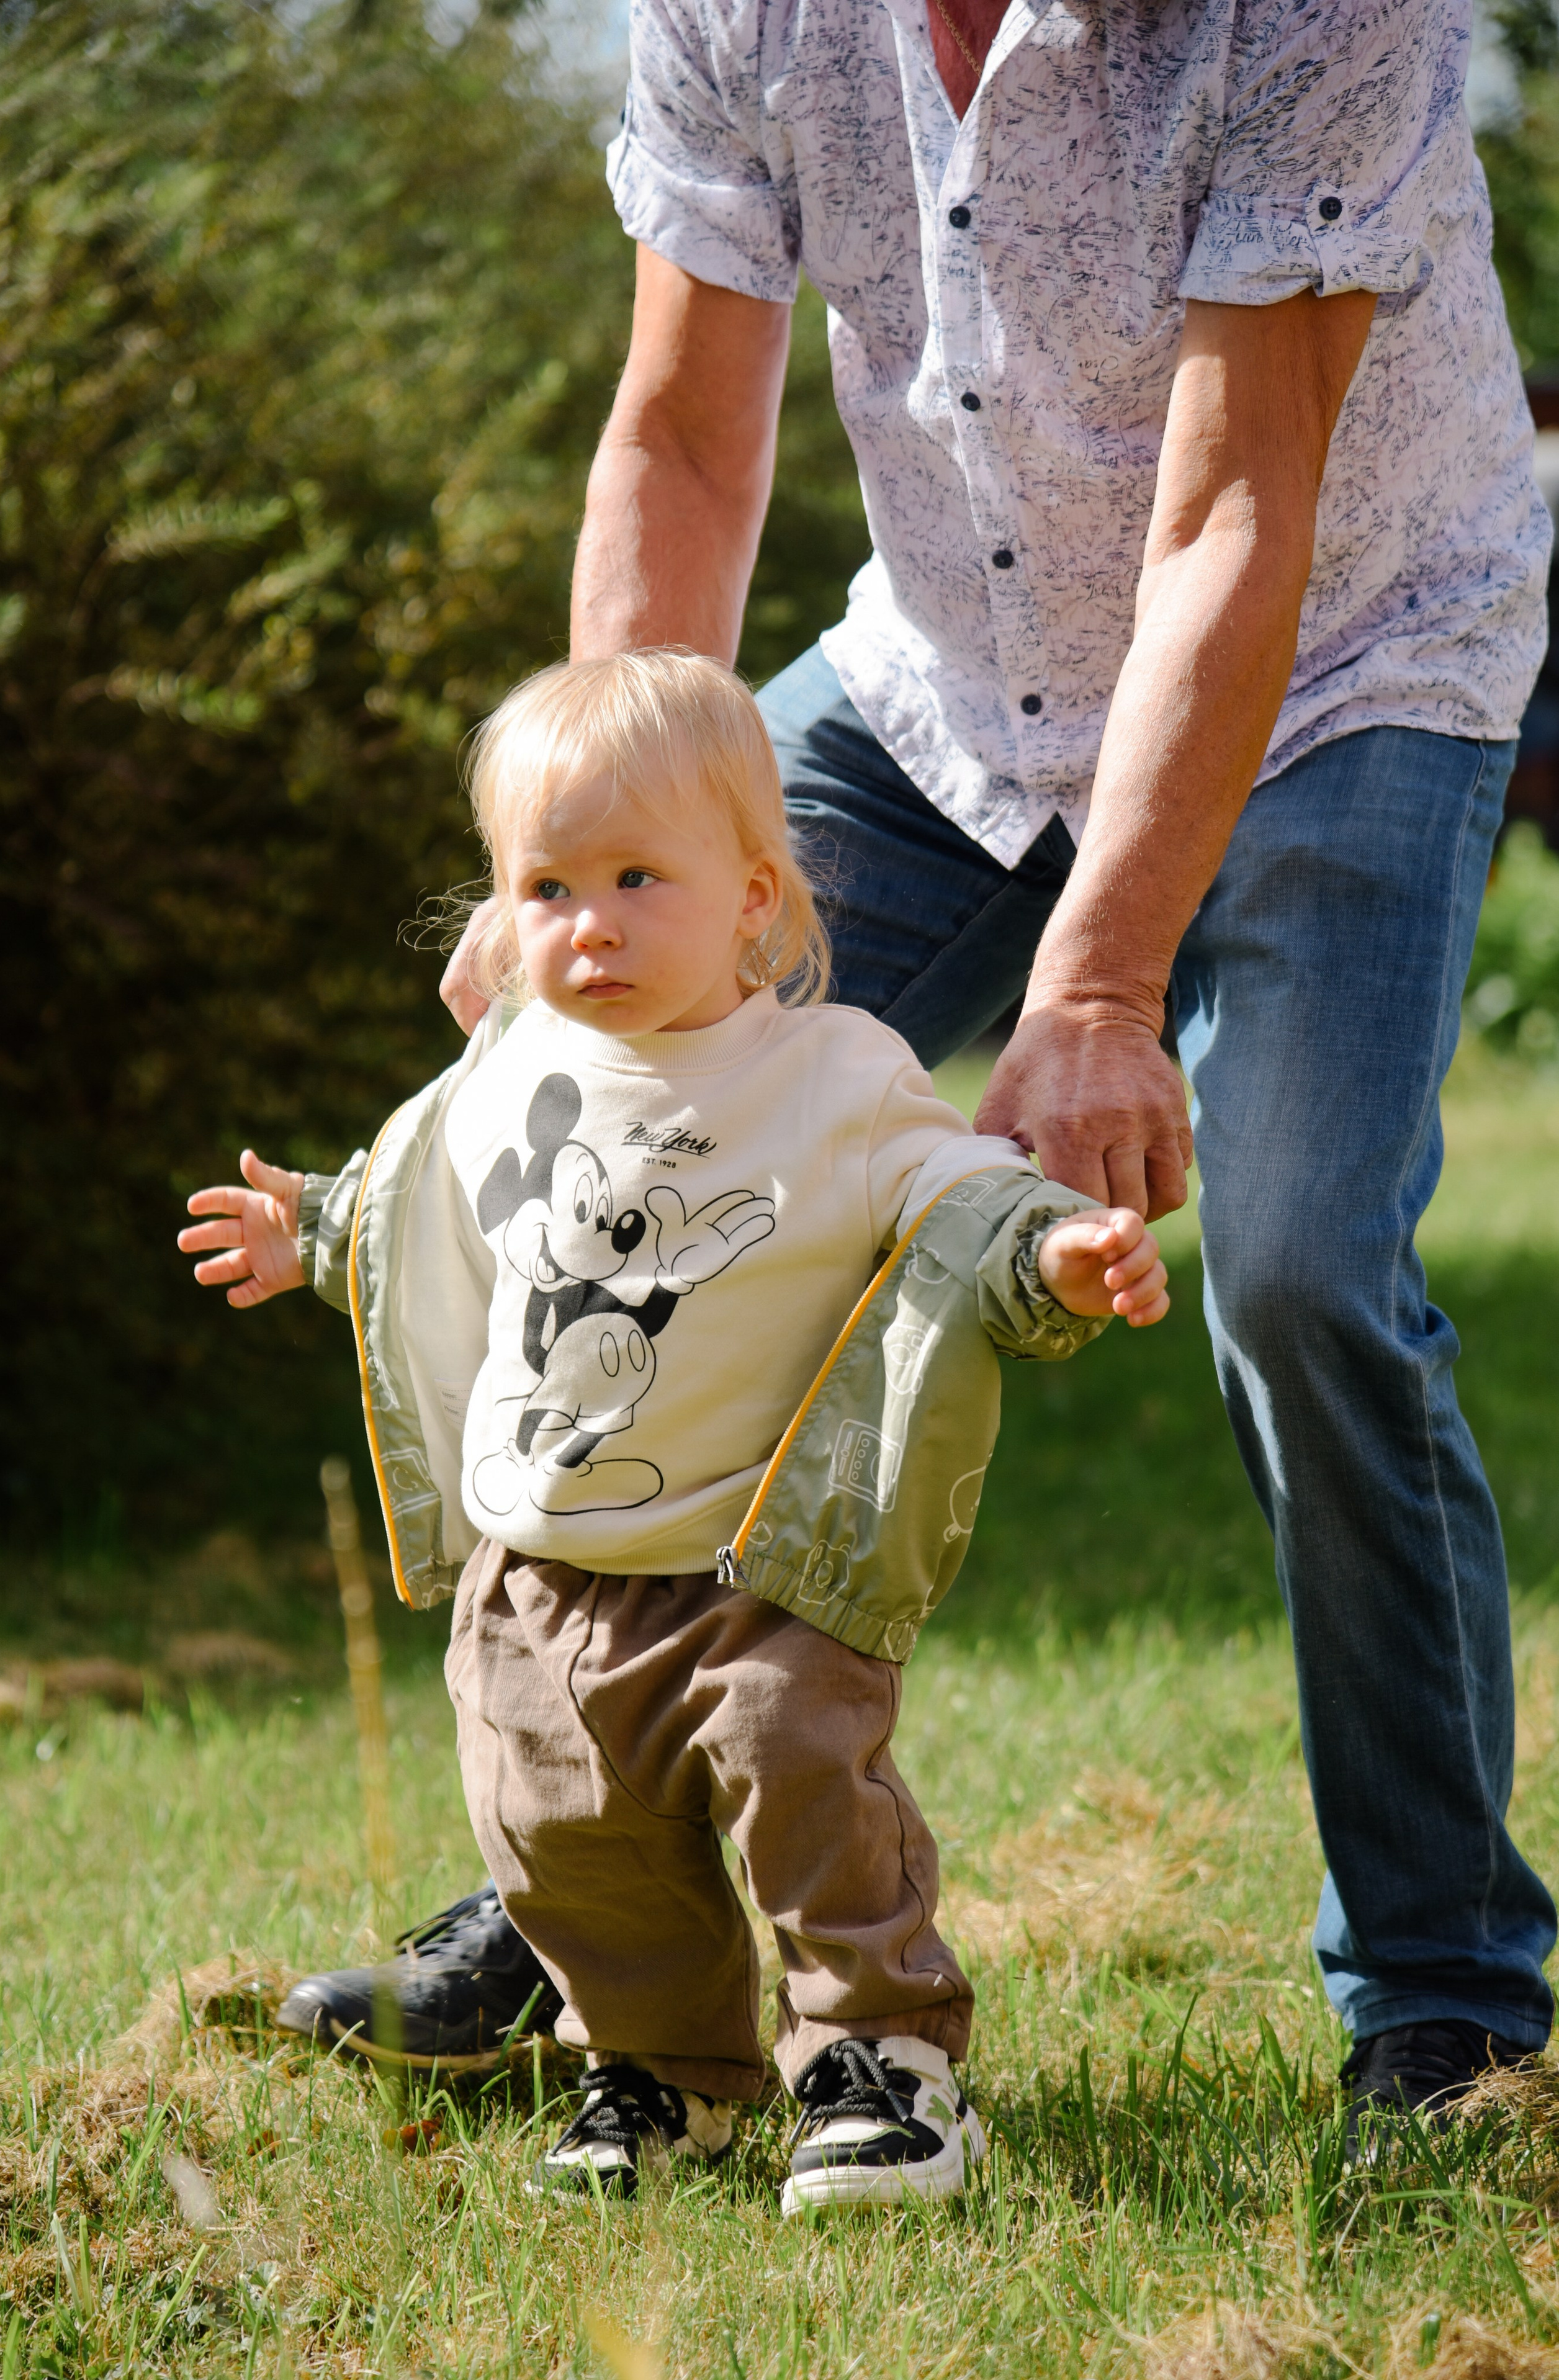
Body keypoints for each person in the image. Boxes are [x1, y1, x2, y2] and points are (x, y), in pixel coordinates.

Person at [270, 0, 1559, 2152]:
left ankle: (1447, 1997)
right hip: (943, 686)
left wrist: (1102, 979)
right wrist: (601, 852)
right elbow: (683, 444)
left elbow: (1239, 504)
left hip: (1350, 663)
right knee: (603, 1141)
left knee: (1306, 1267)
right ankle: (584, 1906)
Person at [179, 650, 1168, 2207]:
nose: (592, 922)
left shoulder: (832, 1075)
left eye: (639, 876)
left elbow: (953, 1200)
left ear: (755, 900)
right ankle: (658, 2067)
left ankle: (882, 2063)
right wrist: (316, 1227)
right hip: (543, 1566)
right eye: (548, 884)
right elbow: (430, 1203)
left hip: (753, 1564)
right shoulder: (512, 1069)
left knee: (804, 1783)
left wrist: (1052, 1252)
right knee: (565, 1831)